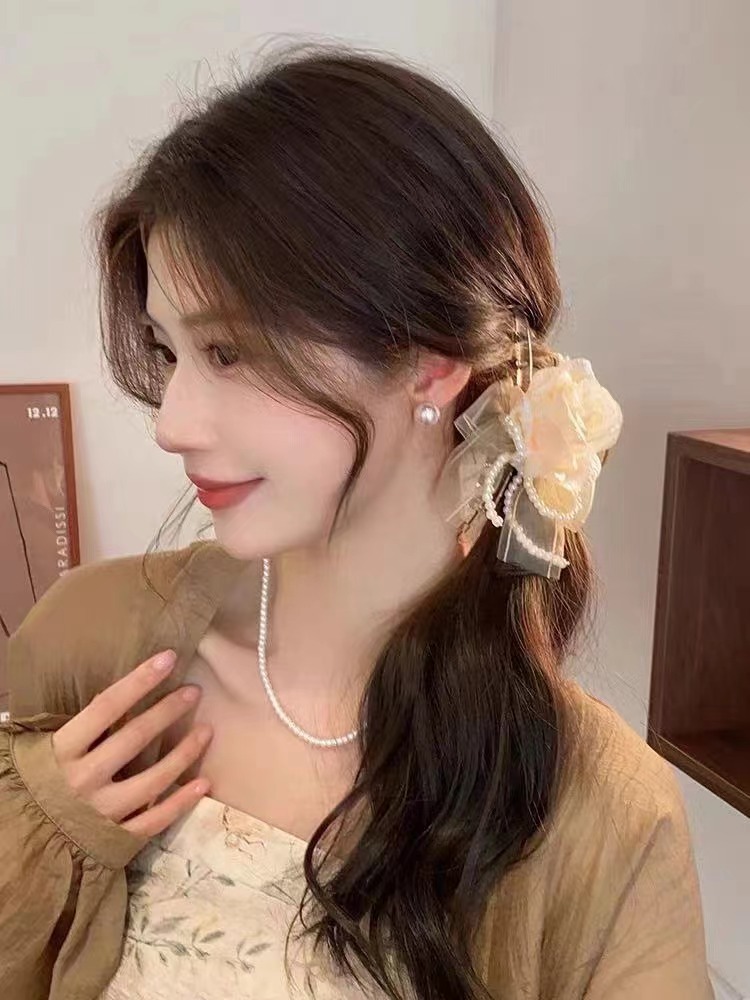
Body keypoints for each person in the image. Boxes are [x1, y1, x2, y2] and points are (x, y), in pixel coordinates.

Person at [0, 44, 713, 1000]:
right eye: (170, 353)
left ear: (432, 362)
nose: (172, 422)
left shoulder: (602, 822)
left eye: (228, 352)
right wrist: (41, 837)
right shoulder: (91, 648)